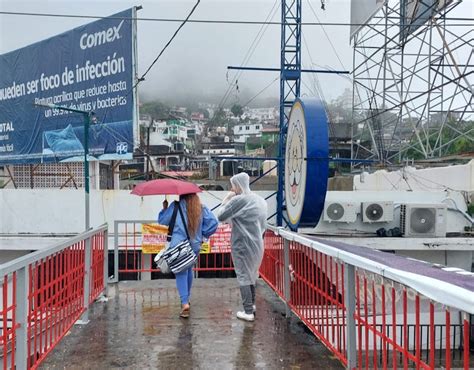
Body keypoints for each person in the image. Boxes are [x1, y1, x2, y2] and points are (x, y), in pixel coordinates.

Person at [217, 173, 267, 322]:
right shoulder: (260, 200)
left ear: (238, 185)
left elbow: (221, 216)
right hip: (257, 242)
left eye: (233, 185)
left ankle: (248, 311)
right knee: (252, 274)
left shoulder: (238, 200)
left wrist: (226, 199)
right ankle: (251, 305)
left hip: (241, 244)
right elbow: (263, 223)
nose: (232, 188)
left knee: (244, 276)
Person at [158, 193, 218, 318]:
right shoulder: (200, 207)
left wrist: (164, 209)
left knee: (181, 271)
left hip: (178, 244)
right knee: (188, 267)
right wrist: (203, 234)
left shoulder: (175, 206)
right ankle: (186, 297)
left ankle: (184, 303)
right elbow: (213, 223)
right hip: (195, 244)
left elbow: (162, 221)